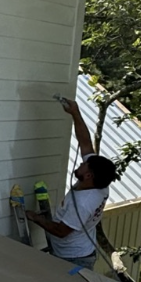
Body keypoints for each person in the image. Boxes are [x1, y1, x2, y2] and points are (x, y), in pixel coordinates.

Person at [26, 97, 117, 270]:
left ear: (88, 175)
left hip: (74, 259)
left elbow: (61, 232)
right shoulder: (100, 182)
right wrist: (75, 113)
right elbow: (85, 142)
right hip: (78, 251)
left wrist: (35, 218)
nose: (81, 163)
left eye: (83, 165)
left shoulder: (83, 203)